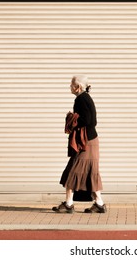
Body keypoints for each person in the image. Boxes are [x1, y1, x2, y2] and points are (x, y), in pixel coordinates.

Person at [52, 75, 106, 214]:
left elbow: (89, 121)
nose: (70, 86)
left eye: (71, 84)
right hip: (90, 142)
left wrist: (73, 119)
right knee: (89, 173)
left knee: (72, 172)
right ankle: (99, 204)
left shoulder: (81, 99)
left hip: (86, 143)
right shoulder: (84, 98)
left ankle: (69, 204)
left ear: (78, 87)